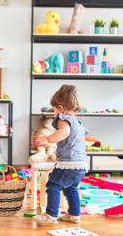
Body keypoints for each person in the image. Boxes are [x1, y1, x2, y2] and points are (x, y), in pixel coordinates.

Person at [32, 85, 88, 225]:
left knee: (53, 185)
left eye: (54, 109)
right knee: (71, 188)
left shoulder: (63, 118)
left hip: (68, 163)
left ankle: (51, 214)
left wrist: (47, 139)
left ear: (61, 108)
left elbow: (64, 132)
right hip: (80, 164)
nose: (54, 113)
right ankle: (74, 214)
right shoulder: (78, 122)